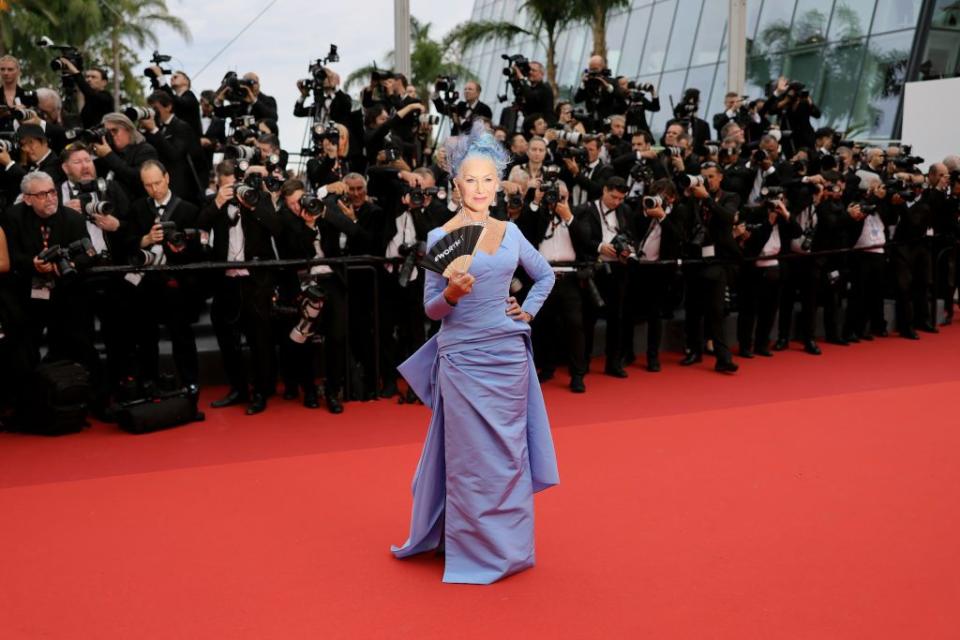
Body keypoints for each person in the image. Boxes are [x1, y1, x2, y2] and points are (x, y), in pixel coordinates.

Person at [392, 122, 558, 584]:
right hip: (462, 360)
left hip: (508, 356)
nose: (481, 188)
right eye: (471, 179)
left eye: (489, 179)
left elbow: (545, 276)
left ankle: (510, 548)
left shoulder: (511, 231)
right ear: (455, 184)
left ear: (499, 183)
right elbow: (430, 310)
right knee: (469, 462)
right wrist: (452, 296)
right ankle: (469, 549)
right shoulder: (440, 237)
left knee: (508, 457)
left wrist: (526, 311)